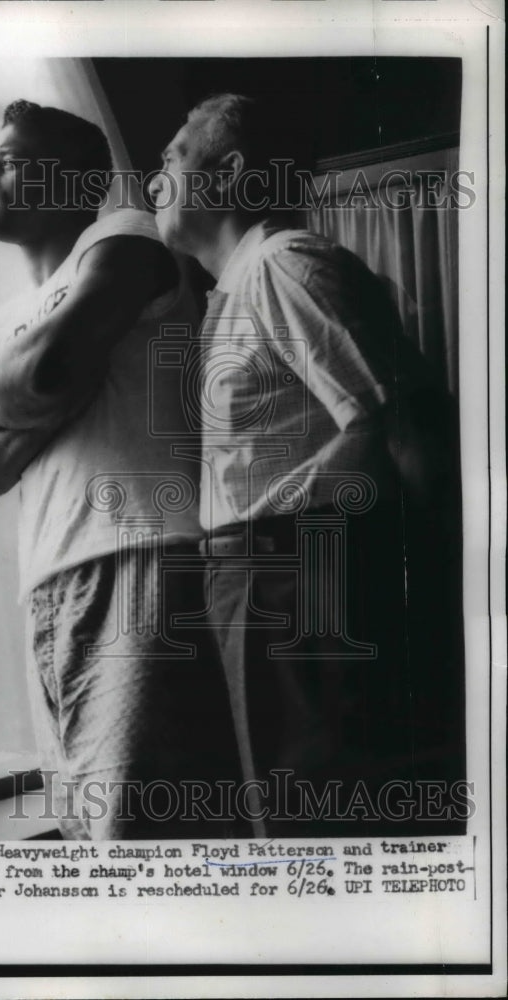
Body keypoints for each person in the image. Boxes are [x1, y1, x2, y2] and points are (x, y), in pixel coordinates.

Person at [149, 93, 466, 836]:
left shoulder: (285, 264)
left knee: (316, 818)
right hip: (259, 579)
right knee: (283, 812)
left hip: (300, 574)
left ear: (228, 172)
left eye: (172, 154)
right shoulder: (238, 287)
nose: (155, 172)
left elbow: (402, 423)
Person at [0, 100, 239, 839]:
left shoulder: (126, 240)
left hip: (137, 560)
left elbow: (47, 369)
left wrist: (2, 413)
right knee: (88, 833)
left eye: (8, 159)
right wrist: (39, 402)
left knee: (136, 841)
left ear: (71, 180)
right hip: (48, 587)